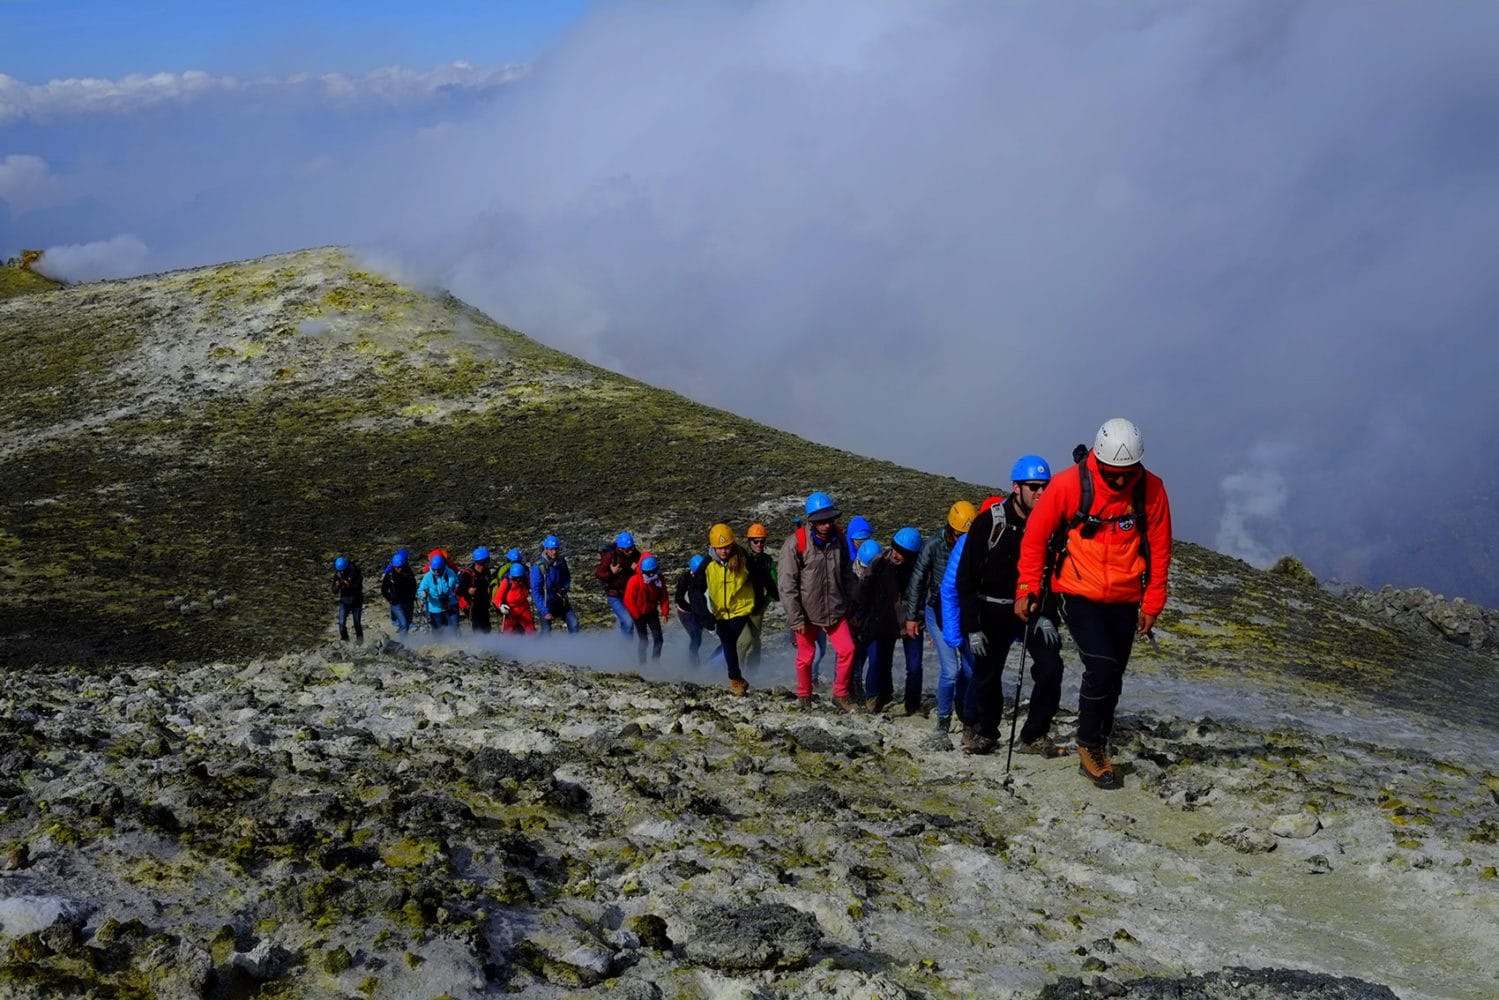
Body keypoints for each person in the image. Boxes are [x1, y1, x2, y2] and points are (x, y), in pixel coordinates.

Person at [1017, 418, 1173, 789]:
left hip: (1125, 596)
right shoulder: (1068, 485)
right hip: (1076, 590)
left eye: (1127, 473)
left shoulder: (1151, 490)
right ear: (1097, 462)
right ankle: (1089, 747)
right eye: (1112, 473)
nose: (1120, 480)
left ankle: (1100, 736)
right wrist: (1027, 586)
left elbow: (1161, 548)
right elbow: (1036, 537)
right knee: (1101, 668)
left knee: (1113, 677)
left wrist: (1153, 602)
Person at [953, 455, 1060, 756]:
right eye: (1034, 487)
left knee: (1051, 668)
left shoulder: (1051, 526)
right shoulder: (989, 523)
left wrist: (1048, 615)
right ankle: (986, 731)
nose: (1041, 493)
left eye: (1045, 487)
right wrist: (972, 627)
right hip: (992, 611)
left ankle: (1033, 734)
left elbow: (1052, 575)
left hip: (1032, 610)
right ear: (1016, 487)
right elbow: (965, 579)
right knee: (987, 675)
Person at [778, 491, 860, 711]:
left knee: (848, 649)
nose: (826, 525)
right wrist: (796, 618)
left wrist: (852, 604)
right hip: (806, 612)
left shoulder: (839, 540)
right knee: (806, 657)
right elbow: (787, 585)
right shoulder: (795, 545)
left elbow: (847, 574)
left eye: (829, 520)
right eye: (821, 521)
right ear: (810, 521)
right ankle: (804, 697)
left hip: (835, 608)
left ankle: (840, 694)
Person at [907, 501, 976, 734]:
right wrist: (912, 616)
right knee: (951, 671)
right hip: (937, 613)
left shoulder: (974, 547)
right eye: (958, 536)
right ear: (950, 530)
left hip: (965, 614)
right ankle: (943, 719)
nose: (962, 542)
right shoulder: (934, 545)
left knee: (970, 669)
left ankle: (964, 708)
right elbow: (917, 579)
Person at [859, 528, 923, 714]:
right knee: (879, 660)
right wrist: (862, 616)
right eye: (895, 550)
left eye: (901, 553)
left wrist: (918, 617)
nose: (896, 555)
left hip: (912, 621)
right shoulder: (879, 564)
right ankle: (876, 696)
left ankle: (912, 704)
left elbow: (923, 594)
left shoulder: (918, 569)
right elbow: (864, 591)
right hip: (884, 619)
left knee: (914, 666)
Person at [704, 524, 756, 695]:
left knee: (728, 639)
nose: (724, 551)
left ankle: (734, 679)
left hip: (740, 608)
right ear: (713, 547)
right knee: (728, 641)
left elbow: (759, 577)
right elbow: (696, 589)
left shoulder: (743, 558)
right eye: (720, 548)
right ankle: (736, 678)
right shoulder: (707, 564)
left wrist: (774, 595)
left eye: (727, 546)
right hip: (720, 612)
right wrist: (703, 614)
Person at [737, 522, 777, 667]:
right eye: (756, 541)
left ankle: (753, 674)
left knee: (755, 641)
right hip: (741, 606)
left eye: (762, 541)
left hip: (757, 608)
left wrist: (766, 602)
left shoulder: (767, 561)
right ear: (749, 541)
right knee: (744, 641)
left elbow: (774, 583)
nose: (759, 544)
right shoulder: (741, 558)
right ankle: (735, 673)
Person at [624, 553, 669, 662]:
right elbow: (628, 600)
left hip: (651, 611)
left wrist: (665, 612)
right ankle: (643, 664)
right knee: (644, 641)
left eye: (654, 571)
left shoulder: (659, 579)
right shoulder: (634, 581)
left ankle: (655, 663)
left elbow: (663, 596)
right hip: (638, 614)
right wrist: (637, 615)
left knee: (659, 639)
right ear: (643, 571)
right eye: (649, 573)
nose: (652, 574)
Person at [595, 531, 641, 635]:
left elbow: (642, 569)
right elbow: (599, 574)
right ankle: (625, 647)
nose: (630, 552)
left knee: (629, 622)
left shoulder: (634, 553)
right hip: (614, 594)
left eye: (632, 548)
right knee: (628, 622)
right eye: (627, 550)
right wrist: (612, 573)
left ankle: (624, 646)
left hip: (629, 593)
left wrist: (637, 569)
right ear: (620, 548)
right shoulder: (610, 556)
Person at [531, 536, 580, 634]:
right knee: (546, 630)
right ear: (546, 549)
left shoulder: (561, 562)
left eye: (556, 549)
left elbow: (566, 578)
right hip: (546, 603)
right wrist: (544, 611)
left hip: (560, 600)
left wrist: (565, 589)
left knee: (574, 624)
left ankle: (575, 647)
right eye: (551, 549)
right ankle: (540, 648)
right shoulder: (538, 567)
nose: (554, 552)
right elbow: (535, 592)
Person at [674, 554, 714, 664]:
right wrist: (693, 606)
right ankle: (693, 662)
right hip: (686, 613)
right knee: (695, 636)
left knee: (700, 636)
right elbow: (679, 599)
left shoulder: (705, 577)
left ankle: (698, 657)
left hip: (699, 610)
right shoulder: (685, 580)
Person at [417, 553, 460, 634]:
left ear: (443, 566)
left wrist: (458, 587)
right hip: (435, 608)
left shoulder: (450, 573)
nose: (436, 571)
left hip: (451, 604)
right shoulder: (427, 577)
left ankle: (454, 644)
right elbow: (420, 590)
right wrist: (422, 594)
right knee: (439, 632)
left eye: (438, 569)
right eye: (434, 569)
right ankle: (440, 645)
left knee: (454, 628)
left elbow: (458, 583)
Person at [493, 562, 537, 634]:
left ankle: (532, 643)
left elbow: (534, 587)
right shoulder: (507, 582)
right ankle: (507, 644)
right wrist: (501, 606)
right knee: (507, 633)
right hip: (510, 610)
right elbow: (497, 598)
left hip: (523, 608)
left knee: (530, 629)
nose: (518, 581)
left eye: (520, 579)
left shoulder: (526, 580)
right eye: (516, 579)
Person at [380, 550, 417, 634]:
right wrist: (390, 599)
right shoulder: (389, 575)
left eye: (400, 567)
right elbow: (384, 590)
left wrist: (412, 596)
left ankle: (402, 640)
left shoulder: (408, 573)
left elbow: (413, 584)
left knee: (407, 623)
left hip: (408, 602)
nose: (398, 569)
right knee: (403, 624)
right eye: (397, 567)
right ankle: (403, 643)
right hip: (396, 603)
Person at [459, 547, 495, 634]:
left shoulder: (486, 572)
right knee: (478, 627)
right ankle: (479, 644)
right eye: (487, 560)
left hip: (484, 604)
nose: (488, 562)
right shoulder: (468, 575)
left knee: (486, 627)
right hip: (472, 606)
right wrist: (468, 591)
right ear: (481, 562)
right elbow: (460, 590)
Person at [331, 556, 364, 643]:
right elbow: (334, 590)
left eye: (343, 570)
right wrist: (337, 586)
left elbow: (359, 587)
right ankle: (345, 639)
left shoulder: (355, 572)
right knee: (341, 623)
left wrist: (349, 585)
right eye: (340, 570)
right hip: (344, 601)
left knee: (357, 623)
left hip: (356, 600)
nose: (342, 572)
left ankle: (360, 641)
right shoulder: (338, 574)